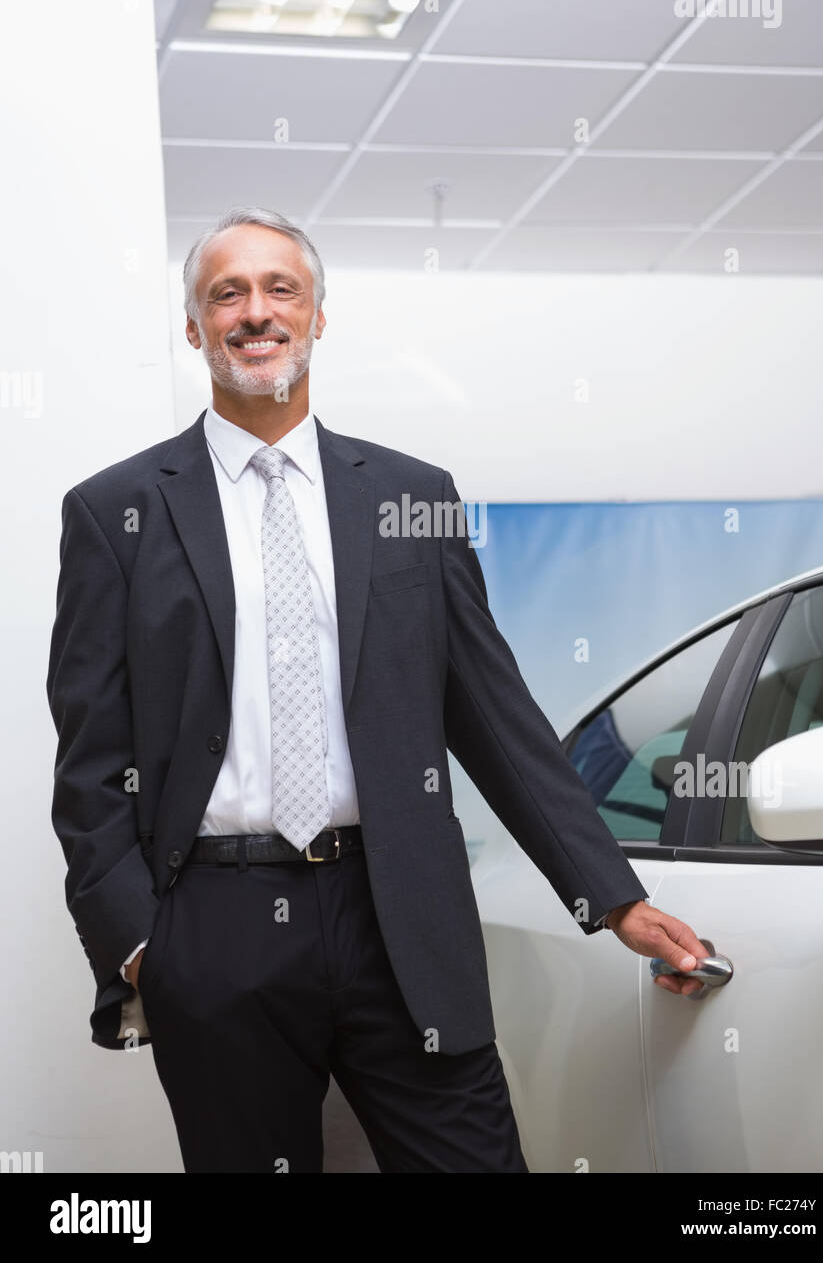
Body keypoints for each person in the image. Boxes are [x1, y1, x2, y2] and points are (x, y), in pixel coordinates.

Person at [47, 206, 707, 1174]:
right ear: (193, 326)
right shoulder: (117, 511)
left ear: (316, 315)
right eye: (227, 293)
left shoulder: (410, 496)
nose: (255, 311)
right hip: (216, 924)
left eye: (280, 288)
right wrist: (144, 946)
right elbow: (90, 764)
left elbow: (496, 719)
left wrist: (612, 898)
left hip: (400, 913)